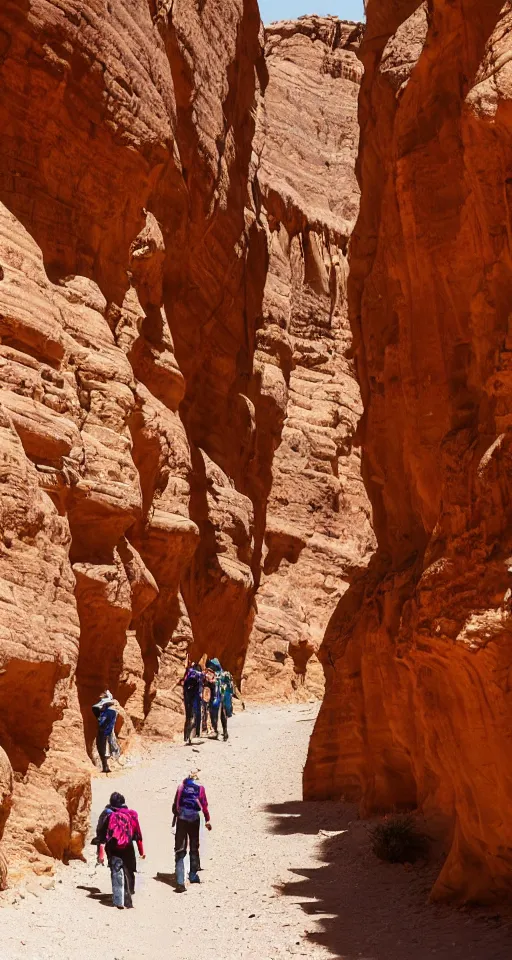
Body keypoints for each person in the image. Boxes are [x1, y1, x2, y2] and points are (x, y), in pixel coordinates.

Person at [94, 791, 145, 909]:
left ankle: (118, 900)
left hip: (113, 846)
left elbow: (101, 837)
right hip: (128, 846)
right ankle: (129, 895)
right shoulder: (131, 814)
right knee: (129, 870)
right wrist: (142, 852)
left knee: (116, 870)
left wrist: (100, 854)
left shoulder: (108, 814)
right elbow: (138, 836)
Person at [172, 770, 211, 892]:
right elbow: (204, 805)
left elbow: (176, 805)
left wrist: (176, 818)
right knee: (194, 846)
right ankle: (193, 875)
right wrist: (207, 820)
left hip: (182, 818)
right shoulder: (200, 788)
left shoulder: (181, 787)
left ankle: (179, 882)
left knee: (180, 849)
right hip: (194, 818)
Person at [92, 690, 118, 773]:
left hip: (103, 732)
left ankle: (105, 767)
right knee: (107, 749)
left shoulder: (105, 713)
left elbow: (101, 721)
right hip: (110, 731)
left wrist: (99, 717)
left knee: (102, 749)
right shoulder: (113, 712)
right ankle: (106, 767)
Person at [182, 662, 203, 745]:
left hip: (188, 698)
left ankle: (186, 737)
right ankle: (191, 735)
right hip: (193, 700)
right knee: (194, 717)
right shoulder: (198, 677)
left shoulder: (190, 675)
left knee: (188, 717)